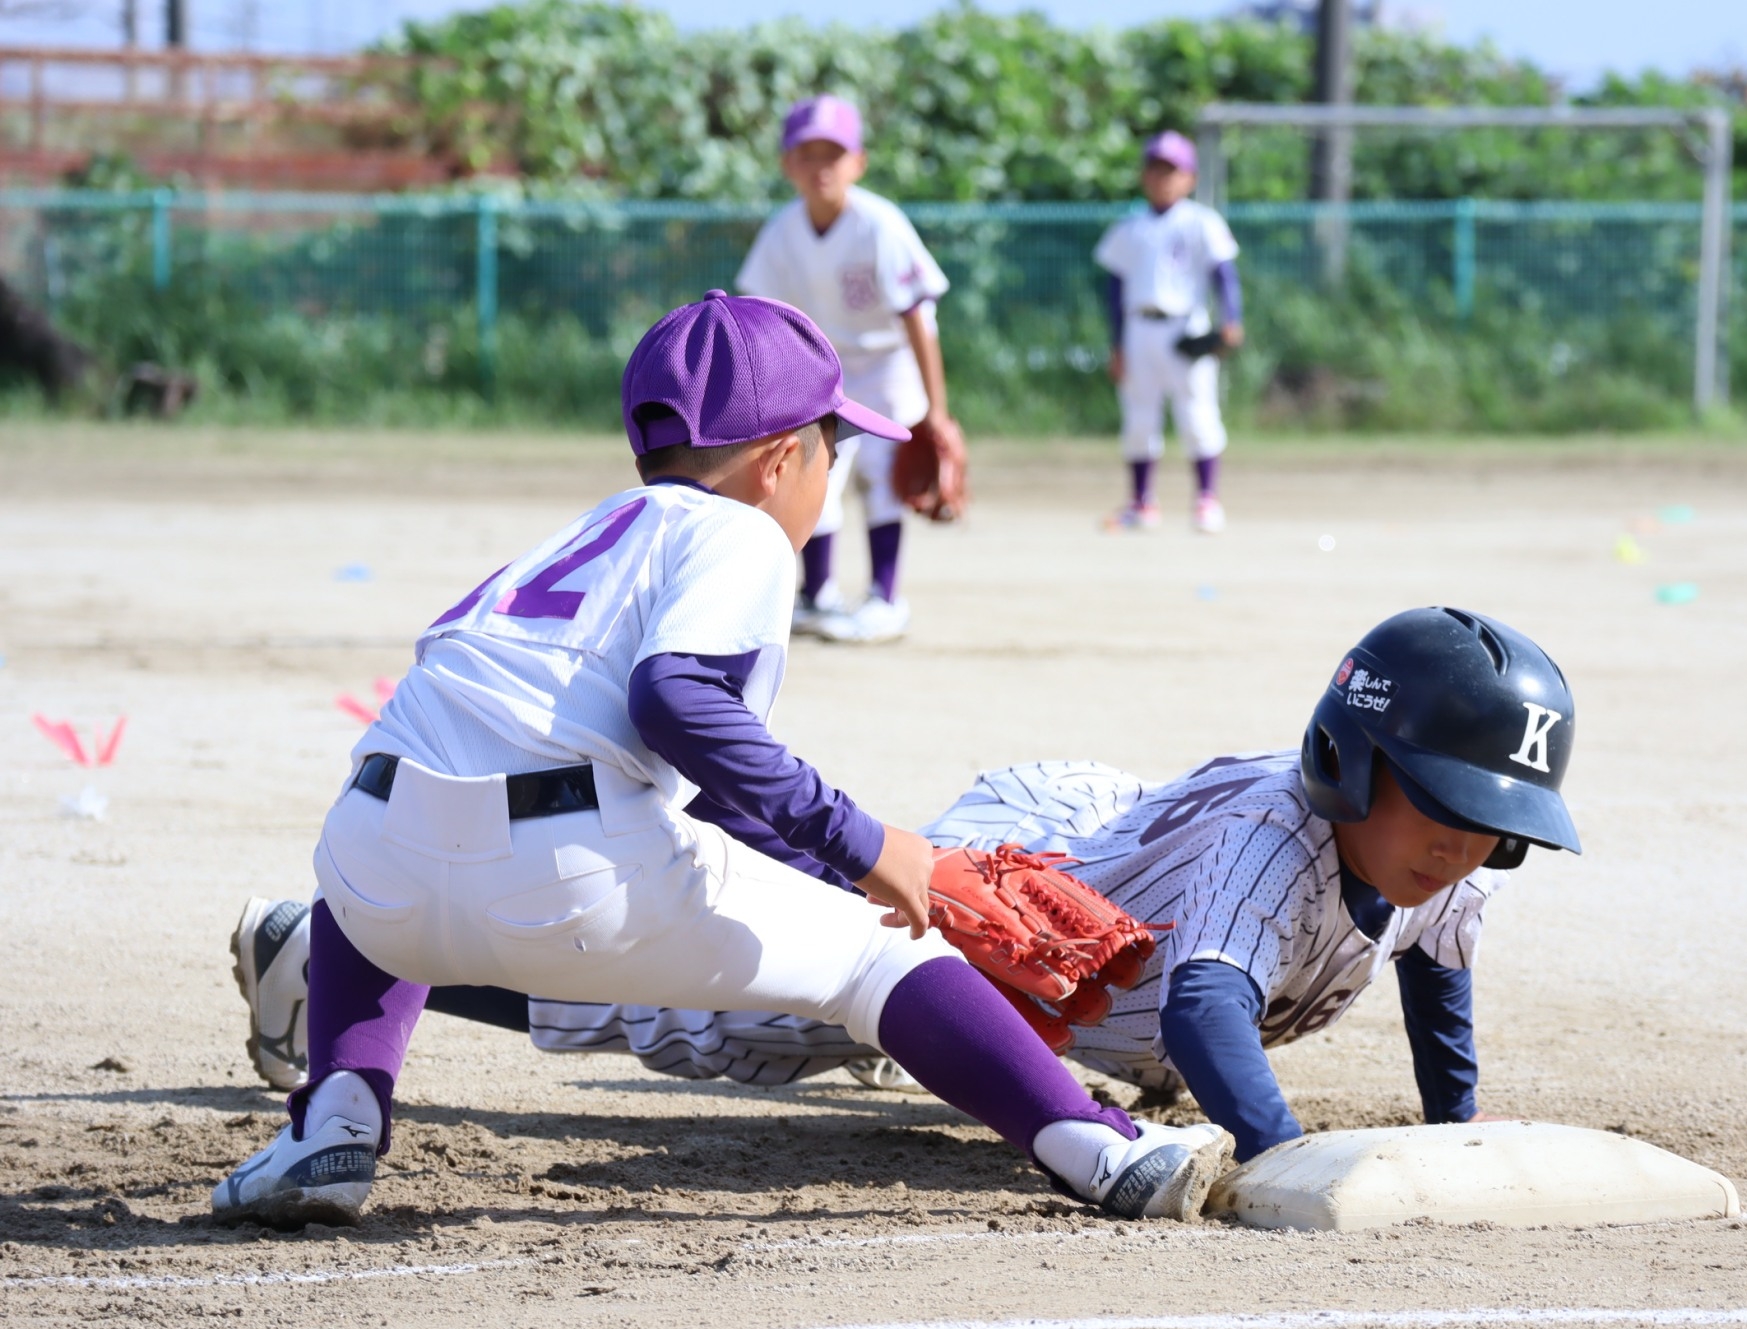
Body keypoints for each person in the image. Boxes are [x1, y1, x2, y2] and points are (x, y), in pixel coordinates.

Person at [210, 291, 1231, 1231]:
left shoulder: (587, 533)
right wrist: (868, 847)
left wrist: (844, 869)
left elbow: (660, 769)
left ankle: (335, 1120)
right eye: (833, 444)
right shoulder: (739, 538)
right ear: (778, 459)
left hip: (365, 860)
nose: (836, 469)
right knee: (884, 960)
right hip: (567, 873)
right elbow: (677, 702)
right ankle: (1098, 1149)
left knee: (385, 856)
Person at [234, 608, 1578, 1164]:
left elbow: (1440, 981)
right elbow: (1203, 1010)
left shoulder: (1436, 869)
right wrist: (1279, 1157)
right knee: (728, 1005)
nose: (1463, 841)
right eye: (1444, 805)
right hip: (1035, 879)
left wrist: (1454, 1127)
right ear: (1348, 765)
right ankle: (337, 948)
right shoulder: (1279, 835)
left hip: (1115, 848)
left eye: (1490, 822)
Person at [735, 95, 963, 644]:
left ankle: (885, 597)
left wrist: (938, 412)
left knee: (885, 476)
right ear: (787, 164)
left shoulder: (878, 224)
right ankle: (818, 596)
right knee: (819, 477)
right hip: (823, 371)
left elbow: (918, 317)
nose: (821, 166)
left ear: (858, 162)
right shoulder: (783, 230)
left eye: (833, 153)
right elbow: (763, 318)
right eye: (807, 153)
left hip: (888, 366)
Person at [1093, 131, 1243, 535]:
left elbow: (1224, 275)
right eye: (1155, 169)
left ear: (1189, 178)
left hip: (1186, 328)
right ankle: (1142, 503)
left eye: (1171, 170)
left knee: (1197, 414)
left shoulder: (1201, 222)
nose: (1161, 177)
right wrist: (1116, 343)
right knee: (1139, 418)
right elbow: (1114, 289)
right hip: (1139, 329)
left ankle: (1206, 499)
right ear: (1144, 176)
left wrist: (1232, 319)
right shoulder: (1130, 226)